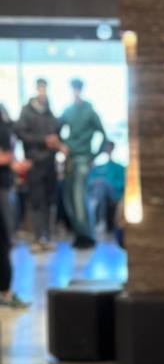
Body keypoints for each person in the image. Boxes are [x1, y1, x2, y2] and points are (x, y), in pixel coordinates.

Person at [58, 78, 105, 249]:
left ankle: (86, 235)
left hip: (83, 159)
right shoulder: (68, 111)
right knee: (69, 199)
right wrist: (62, 145)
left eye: (77, 88)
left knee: (79, 198)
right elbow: (56, 129)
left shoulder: (89, 111)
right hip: (70, 160)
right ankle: (80, 234)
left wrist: (93, 156)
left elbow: (104, 136)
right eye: (73, 88)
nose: (75, 91)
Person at [15, 78, 60, 252]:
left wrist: (56, 142)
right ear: (36, 89)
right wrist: (43, 140)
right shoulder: (26, 111)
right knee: (36, 201)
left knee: (49, 202)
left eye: (45, 88)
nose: (43, 91)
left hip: (50, 164)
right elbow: (20, 133)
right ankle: (37, 238)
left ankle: (46, 238)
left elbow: (56, 132)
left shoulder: (50, 112)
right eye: (40, 88)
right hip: (34, 164)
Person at [0, 105, 28, 310]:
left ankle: (5, 291)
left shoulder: (6, 127)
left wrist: (12, 163)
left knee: (4, 240)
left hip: (4, 184)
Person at [87, 140, 126, 239]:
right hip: (97, 192)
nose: (107, 150)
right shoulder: (97, 167)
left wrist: (107, 183)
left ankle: (97, 219)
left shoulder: (118, 167)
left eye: (109, 148)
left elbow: (122, 183)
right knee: (100, 188)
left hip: (113, 193)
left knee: (103, 185)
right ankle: (100, 220)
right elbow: (89, 182)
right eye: (105, 148)